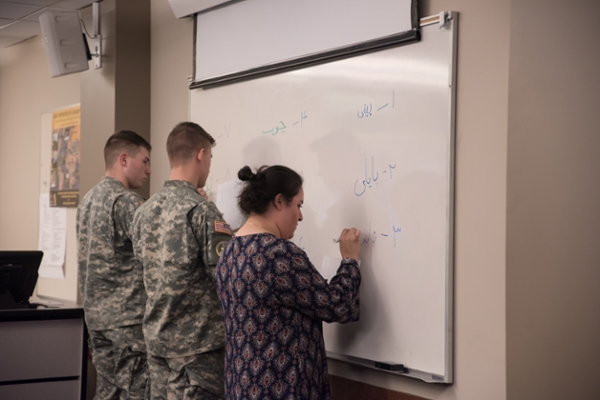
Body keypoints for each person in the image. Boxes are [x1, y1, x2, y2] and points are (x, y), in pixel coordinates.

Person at [214, 165, 362, 400]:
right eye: (299, 205)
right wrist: (350, 260)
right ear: (280, 201)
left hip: (240, 388)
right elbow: (339, 305)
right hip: (281, 390)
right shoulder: (279, 254)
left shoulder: (229, 251)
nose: (301, 216)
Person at [132, 122, 232, 399]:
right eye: (210, 158)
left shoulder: (143, 211)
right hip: (196, 354)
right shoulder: (202, 211)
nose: (209, 166)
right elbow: (228, 276)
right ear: (201, 154)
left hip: (157, 345)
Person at [76, 130, 152, 399]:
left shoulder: (87, 200)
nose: (149, 170)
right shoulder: (127, 202)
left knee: (107, 393)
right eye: (144, 161)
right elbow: (158, 252)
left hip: (97, 321)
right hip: (127, 325)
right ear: (123, 159)